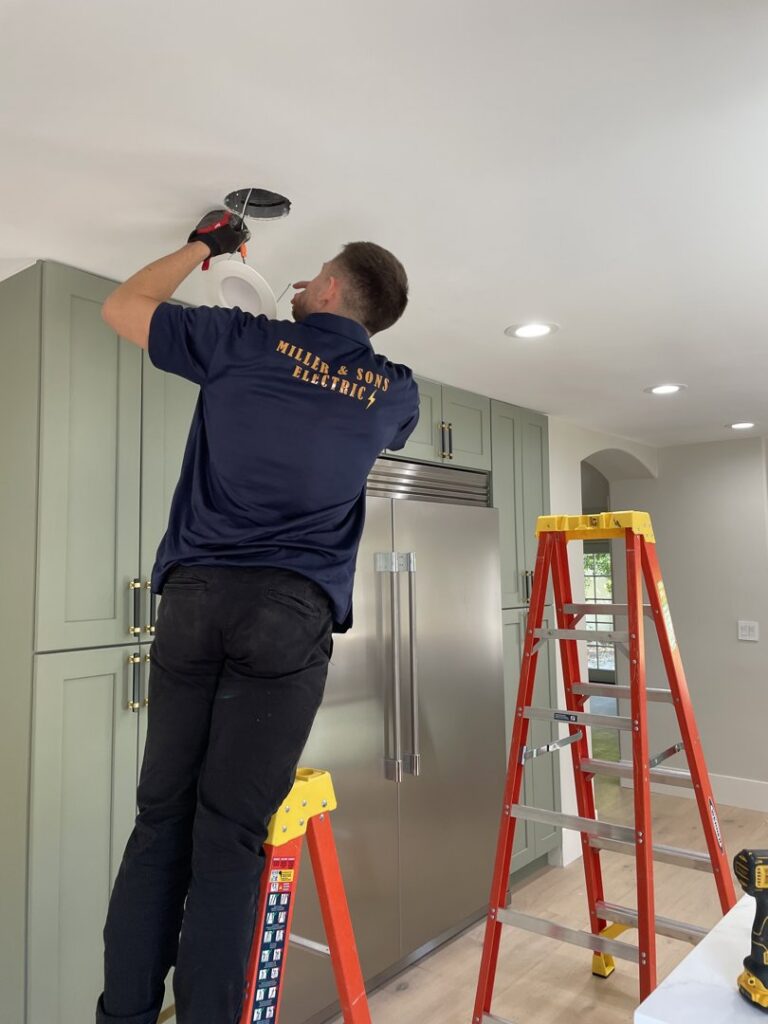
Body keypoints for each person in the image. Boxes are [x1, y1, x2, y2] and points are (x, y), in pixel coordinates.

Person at [95, 210, 419, 1024]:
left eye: (315, 276)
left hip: (197, 599)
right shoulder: (395, 389)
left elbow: (124, 306)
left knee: (160, 822)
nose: (302, 284)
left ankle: (123, 1016)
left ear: (332, 286)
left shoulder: (241, 341)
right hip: (290, 614)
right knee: (230, 837)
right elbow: (382, 428)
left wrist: (205, 245)